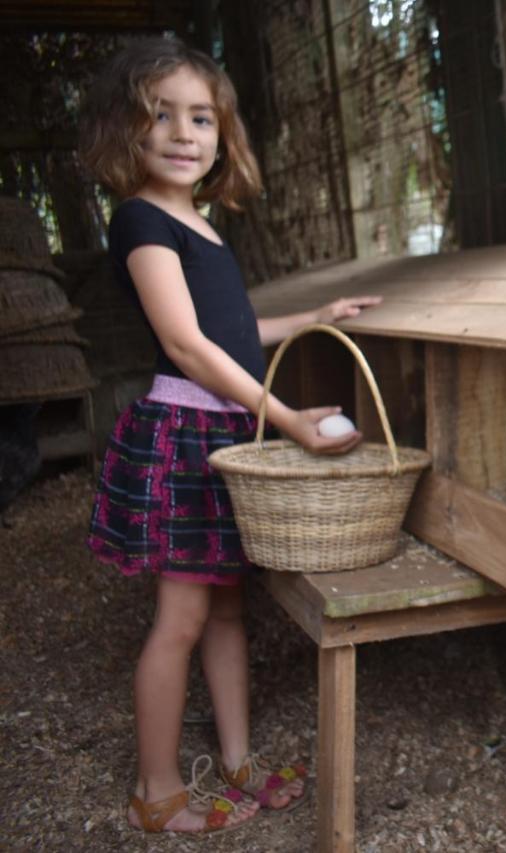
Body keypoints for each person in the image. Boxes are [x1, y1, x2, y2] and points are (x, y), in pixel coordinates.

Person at [79, 38, 380, 834]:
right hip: (184, 429)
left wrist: (309, 320)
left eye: (200, 117)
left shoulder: (199, 223)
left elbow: (232, 332)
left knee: (224, 614)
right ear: (128, 132)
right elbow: (185, 344)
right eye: (160, 115)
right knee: (179, 620)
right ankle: (157, 790)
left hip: (221, 429)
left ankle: (238, 762)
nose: (184, 132)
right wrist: (284, 418)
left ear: (221, 133)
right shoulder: (141, 220)